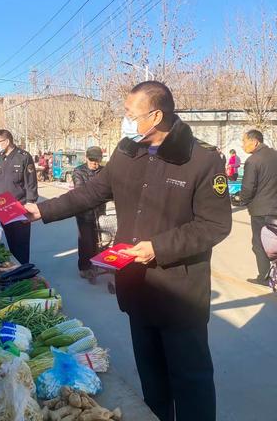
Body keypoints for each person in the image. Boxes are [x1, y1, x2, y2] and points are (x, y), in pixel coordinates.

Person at [25, 81, 232, 421]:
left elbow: (214, 225)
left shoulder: (202, 160)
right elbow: (91, 193)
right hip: (136, 287)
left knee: (190, 381)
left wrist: (158, 248)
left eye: (130, 115)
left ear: (156, 115)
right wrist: (42, 210)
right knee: (152, 380)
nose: (126, 121)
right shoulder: (127, 152)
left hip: (180, 293)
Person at [0, 129, 38, 264]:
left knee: (21, 244)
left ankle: (24, 271)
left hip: (19, 206)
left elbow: (31, 182)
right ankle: (15, 270)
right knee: (11, 242)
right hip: (2, 206)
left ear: (7, 141)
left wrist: (30, 203)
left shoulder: (23, 156)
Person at [239, 129, 277, 286]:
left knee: (260, 243)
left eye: (244, 141)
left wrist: (242, 200)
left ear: (254, 142)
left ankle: (264, 277)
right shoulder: (275, 155)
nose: (243, 145)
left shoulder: (253, 161)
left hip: (261, 211)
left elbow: (248, 187)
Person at [72, 146, 107, 280]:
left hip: (100, 212)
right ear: (86, 158)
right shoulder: (79, 171)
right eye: (92, 160)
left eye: (97, 161)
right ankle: (84, 267)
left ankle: (95, 264)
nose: (94, 164)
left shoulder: (104, 171)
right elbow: (81, 191)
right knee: (86, 241)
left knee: (99, 241)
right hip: (84, 213)